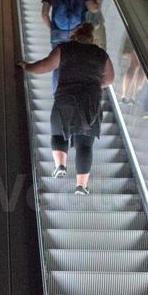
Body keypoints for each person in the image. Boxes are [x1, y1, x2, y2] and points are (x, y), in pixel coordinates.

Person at [20, 23, 115, 196]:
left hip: (66, 98)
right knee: (85, 144)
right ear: (92, 38)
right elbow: (109, 79)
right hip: (90, 101)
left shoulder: (65, 49)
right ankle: (81, 186)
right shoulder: (101, 54)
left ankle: (60, 165)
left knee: (58, 133)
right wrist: (93, 85)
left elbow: (45, 65)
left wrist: (27, 67)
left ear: (74, 36)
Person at [40, 0, 97, 90]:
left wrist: (53, 28)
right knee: (78, 62)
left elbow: (44, 14)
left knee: (57, 64)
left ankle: (57, 94)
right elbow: (93, 8)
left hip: (57, 31)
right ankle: (75, 93)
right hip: (78, 31)